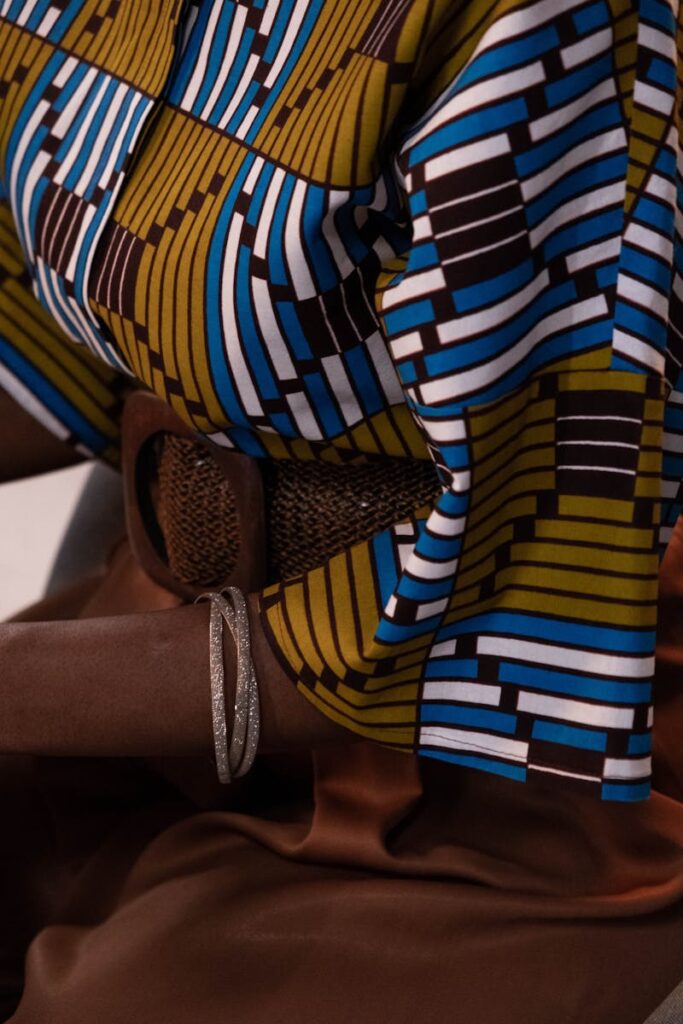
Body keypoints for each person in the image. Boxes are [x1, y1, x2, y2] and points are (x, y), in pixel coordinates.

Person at [2, 0, 683, 1020]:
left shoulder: (557, 23)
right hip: (168, 638)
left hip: (507, 765)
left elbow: (502, 608)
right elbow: (60, 353)